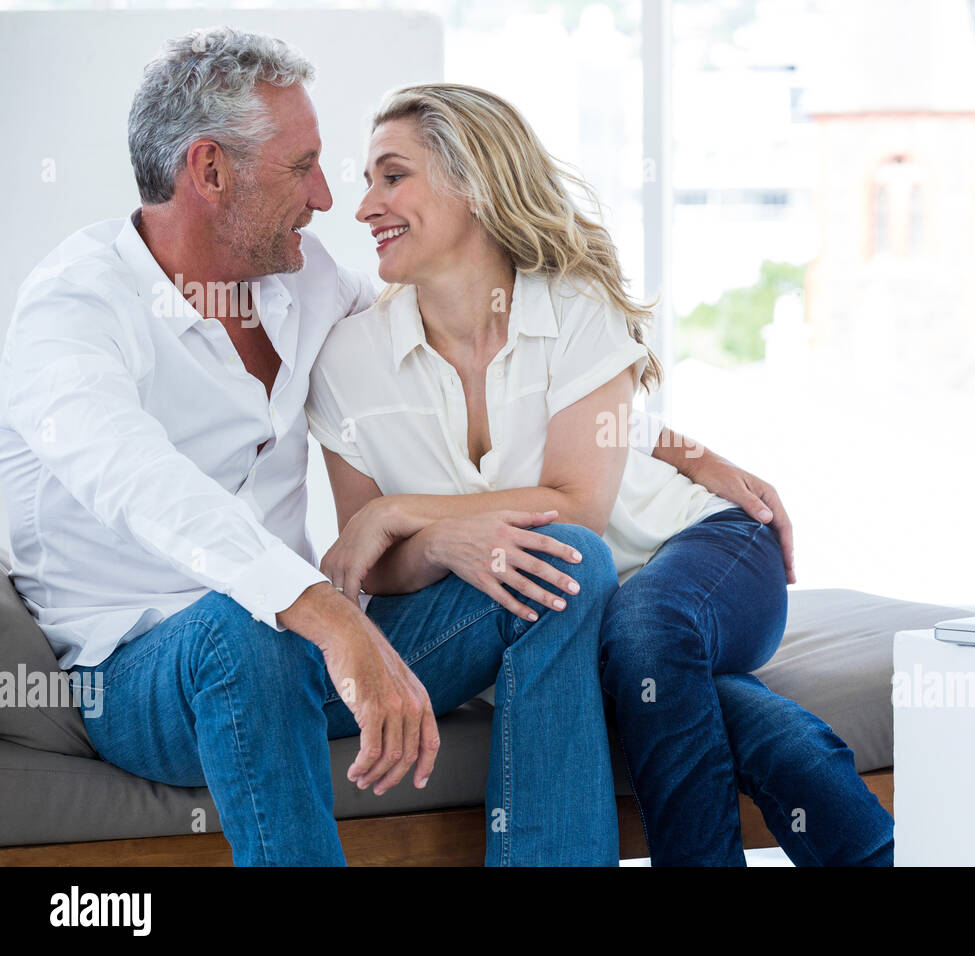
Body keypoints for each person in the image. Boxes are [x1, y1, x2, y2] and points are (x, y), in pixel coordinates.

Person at [0, 27, 624, 866]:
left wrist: (671, 444)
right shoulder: (73, 312)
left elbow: (442, 302)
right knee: (241, 625)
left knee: (567, 565)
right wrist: (327, 615)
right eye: (303, 168)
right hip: (145, 673)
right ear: (211, 171)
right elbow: (137, 481)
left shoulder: (302, 277)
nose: (330, 198)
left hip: (306, 652)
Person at [306, 83, 895, 865]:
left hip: (696, 551)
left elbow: (578, 507)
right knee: (678, 686)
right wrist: (433, 541)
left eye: (392, 176)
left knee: (644, 638)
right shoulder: (349, 360)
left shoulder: (573, 306)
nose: (364, 206)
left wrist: (400, 509)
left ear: (474, 182)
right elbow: (377, 569)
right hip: (565, 605)